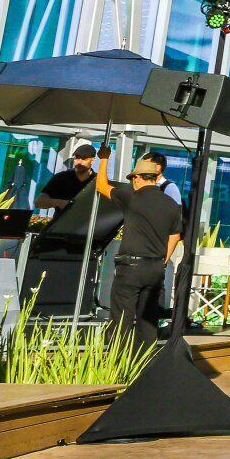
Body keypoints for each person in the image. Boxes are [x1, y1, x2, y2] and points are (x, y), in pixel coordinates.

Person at [94, 146, 184, 348]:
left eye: (133, 179)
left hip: (131, 267)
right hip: (155, 269)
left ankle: (118, 365)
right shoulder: (171, 204)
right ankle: (144, 364)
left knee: (121, 319)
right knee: (148, 320)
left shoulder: (131, 197)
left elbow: (101, 185)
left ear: (137, 178)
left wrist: (104, 159)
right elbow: (175, 235)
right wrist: (163, 260)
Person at [35, 143, 98, 213]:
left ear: (92, 160)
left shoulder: (97, 181)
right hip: (61, 223)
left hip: (88, 223)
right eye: (77, 157)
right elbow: (38, 202)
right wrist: (58, 202)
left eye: (84, 158)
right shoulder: (61, 178)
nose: (79, 162)